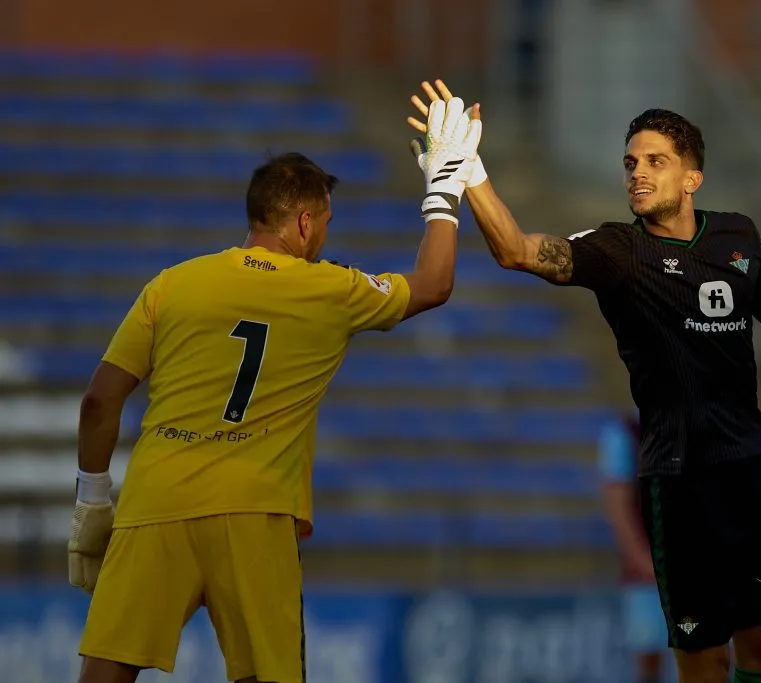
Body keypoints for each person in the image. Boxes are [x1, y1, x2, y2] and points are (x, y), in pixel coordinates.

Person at [407, 79, 761, 683]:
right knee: (704, 663)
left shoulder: (738, 237)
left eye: (655, 161)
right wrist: (469, 170)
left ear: (692, 178)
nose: (638, 173)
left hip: (750, 472)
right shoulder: (617, 251)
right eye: (631, 163)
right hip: (678, 481)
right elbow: (518, 251)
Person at [68, 97, 482, 683]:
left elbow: (99, 399)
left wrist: (92, 500)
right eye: (326, 224)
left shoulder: (172, 285)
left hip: (156, 503)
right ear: (306, 223)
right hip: (256, 513)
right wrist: (443, 188)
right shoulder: (331, 289)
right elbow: (434, 284)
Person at [599, 413, 666, 683]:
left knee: (713, 655)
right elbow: (618, 506)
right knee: (649, 659)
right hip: (648, 576)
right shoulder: (625, 434)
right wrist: (644, 563)